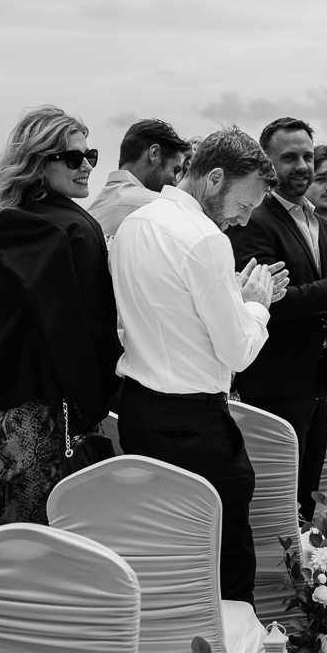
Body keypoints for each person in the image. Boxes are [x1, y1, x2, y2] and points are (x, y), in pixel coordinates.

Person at [111, 127, 282, 602]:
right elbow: (238, 352)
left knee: (164, 555)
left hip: (138, 415)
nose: (244, 220)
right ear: (214, 179)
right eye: (244, 205)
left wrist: (235, 298)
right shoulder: (206, 239)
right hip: (194, 426)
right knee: (225, 563)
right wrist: (256, 305)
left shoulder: (135, 224)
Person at [0, 107, 122, 523]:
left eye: (90, 154)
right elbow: (80, 333)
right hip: (50, 418)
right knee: (51, 541)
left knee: (3, 541)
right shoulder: (74, 228)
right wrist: (102, 400)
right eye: (73, 158)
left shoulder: (10, 221)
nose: (87, 166)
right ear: (40, 164)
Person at [229, 118, 327, 522]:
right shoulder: (254, 220)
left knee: (310, 497)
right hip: (274, 382)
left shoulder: (319, 222)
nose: (302, 165)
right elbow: (272, 300)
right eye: (289, 158)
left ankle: (309, 578)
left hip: (318, 381)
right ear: (267, 164)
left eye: (307, 155)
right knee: (276, 500)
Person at [87, 118, 191, 239]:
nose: (175, 181)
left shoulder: (89, 214)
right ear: (154, 154)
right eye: (174, 171)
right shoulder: (161, 206)